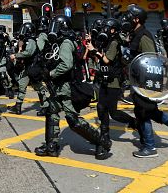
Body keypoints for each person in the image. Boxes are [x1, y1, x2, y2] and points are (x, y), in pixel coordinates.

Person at [33, 15, 111, 158]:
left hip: (66, 86)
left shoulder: (66, 42)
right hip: (58, 86)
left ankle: (102, 142)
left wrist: (51, 73)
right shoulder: (58, 42)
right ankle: (51, 145)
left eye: (56, 26)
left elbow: (66, 65)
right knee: (51, 112)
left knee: (73, 119)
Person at [124, 5, 168, 158]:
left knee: (143, 112)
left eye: (129, 17)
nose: (126, 19)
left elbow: (151, 60)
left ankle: (150, 146)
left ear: (136, 19)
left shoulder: (143, 36)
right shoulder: (136, 34)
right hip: (138, 81)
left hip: (145, 82)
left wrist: (147, 85)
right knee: (152, 113)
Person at [86, 17, 136, 160]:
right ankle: (104, 135)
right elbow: (97, 59)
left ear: (113, 30)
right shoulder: (106, 41)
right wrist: (92, 44)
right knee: (101, 108)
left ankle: (133, 122)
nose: (104, 30)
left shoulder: (114, 43)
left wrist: (95, 50)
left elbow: (107, 60)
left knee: (113, 112)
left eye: (107, 28)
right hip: (103, 79)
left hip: (113, 81)